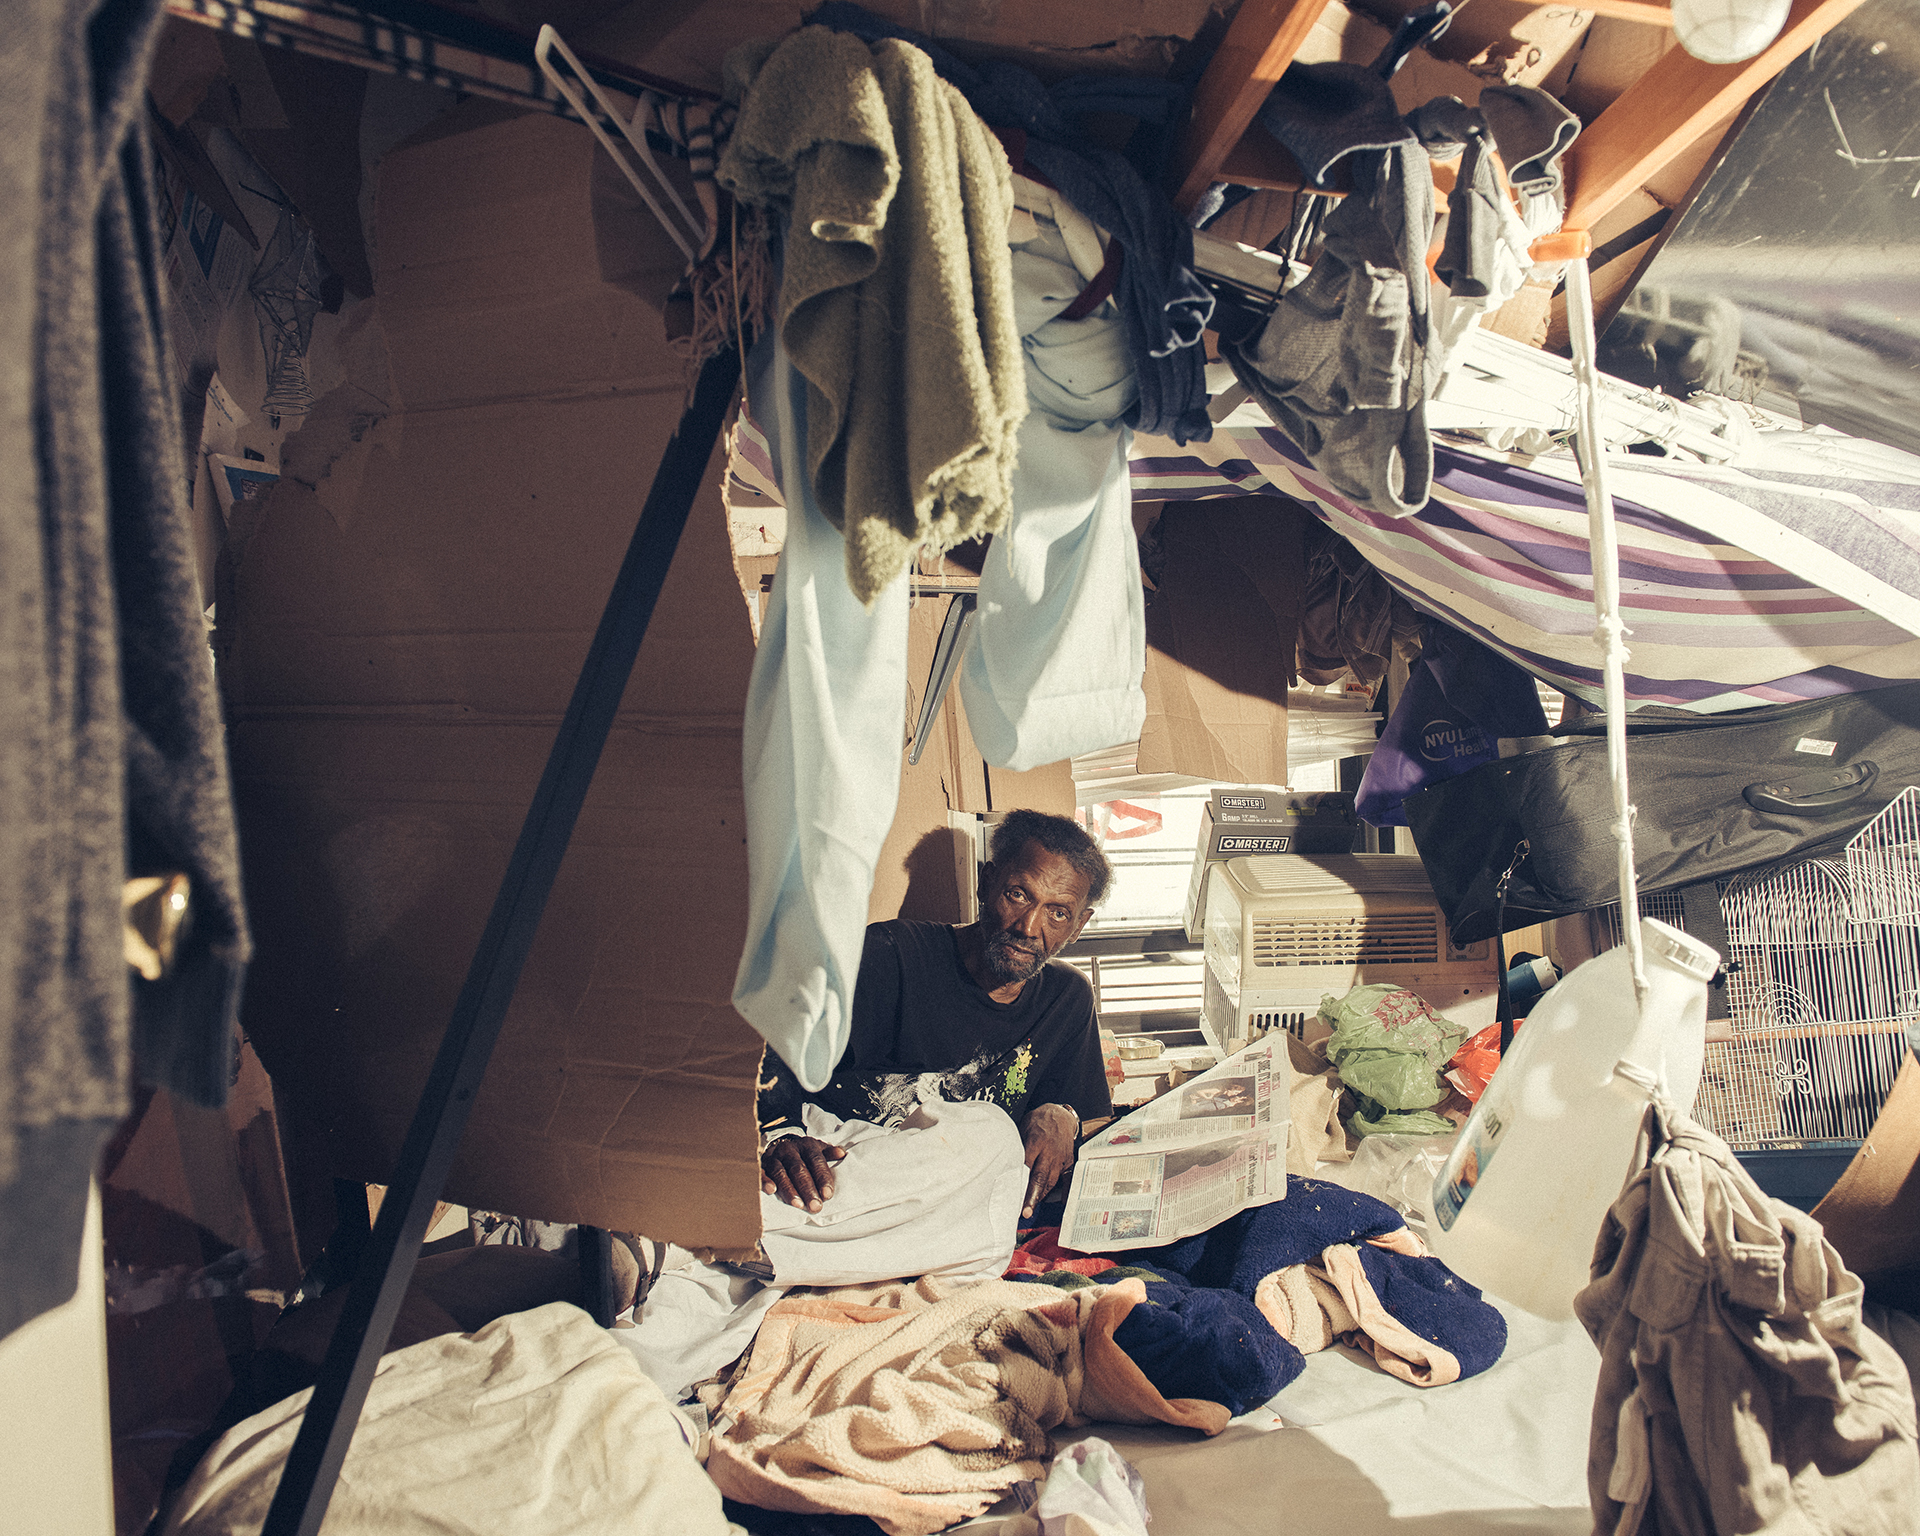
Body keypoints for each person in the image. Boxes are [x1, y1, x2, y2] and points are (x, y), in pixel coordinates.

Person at [759, 808, 1113, 1221]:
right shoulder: (890, 955)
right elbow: (767, 1048)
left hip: (950, 1207)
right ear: (986, 882)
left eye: (1058, 913)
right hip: (839, 1180)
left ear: (1078, 926)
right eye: (1018, 894)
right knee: (993, 1136)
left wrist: (1065, 1117)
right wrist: (779, 1133)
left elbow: (1096, 1127)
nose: (1029, 927)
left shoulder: (1066, 999)